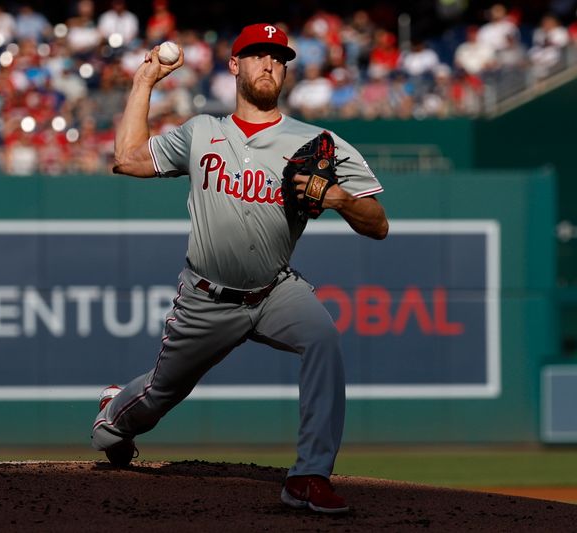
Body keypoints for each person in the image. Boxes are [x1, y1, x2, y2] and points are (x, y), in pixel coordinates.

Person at [91, 23, 388, 514]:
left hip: (274, 290)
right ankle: (113, 414)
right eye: (256, 54)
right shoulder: (202, 131)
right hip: (206, 299)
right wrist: (145, 80)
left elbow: (378, 224)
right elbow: (126, 160)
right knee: (158, 397)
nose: (268, 63)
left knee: (323, 339)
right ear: (235, 65)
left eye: (278, 56)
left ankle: (309, 476)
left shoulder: (318, 142)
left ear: (287, 69)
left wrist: (336, 197)